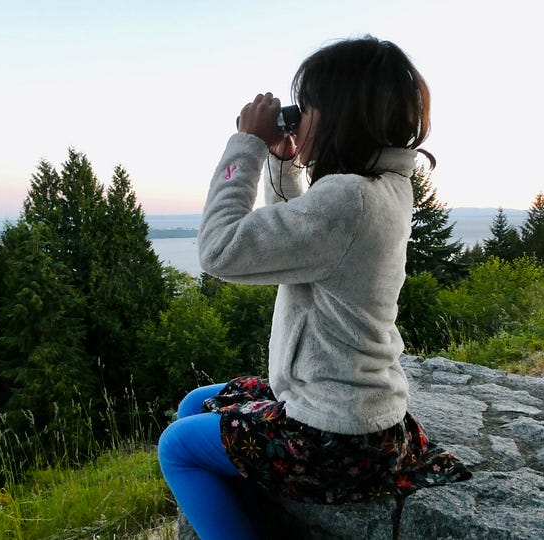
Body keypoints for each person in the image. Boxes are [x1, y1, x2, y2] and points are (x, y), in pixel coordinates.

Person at [158, 36, 471, 540]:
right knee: (199, 402)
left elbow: (219, 249)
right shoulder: (382, 187)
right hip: (359, 413)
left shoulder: (347, 200)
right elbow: (302, 236)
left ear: (341, 112)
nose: (297, 117)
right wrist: (284, 163)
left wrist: (248, 145)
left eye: (307, 107)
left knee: (176, 446)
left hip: (331, 436)